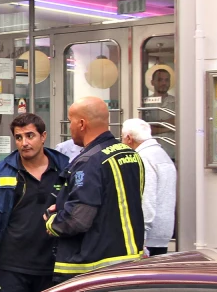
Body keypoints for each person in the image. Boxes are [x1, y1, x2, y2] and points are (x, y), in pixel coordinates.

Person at [0, 114, 68, 292]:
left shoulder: (66, 170)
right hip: (12, 266)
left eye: (30, 136)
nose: (24, 143)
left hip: (55, 266)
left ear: (43, 136)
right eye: (19, 137)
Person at [45, 97, 145, 276]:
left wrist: (53, 221)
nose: (70, 127)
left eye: (70, 121)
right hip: (127, 260)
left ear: (82, 124)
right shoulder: (130, 155)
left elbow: (78, 219)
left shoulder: (89, 161)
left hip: (91, 267)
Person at [121, 118, 177, 256]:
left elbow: (147, 198)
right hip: (163, 230)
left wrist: (142, 237)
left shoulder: (144, 158)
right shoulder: (162, 155)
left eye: (122, 138)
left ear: (129, 138)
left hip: (148, 237)